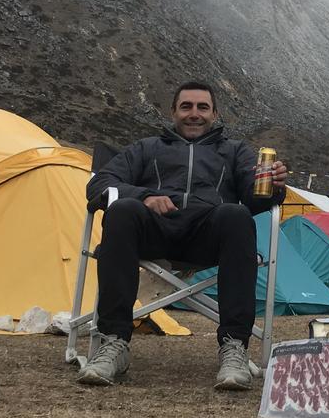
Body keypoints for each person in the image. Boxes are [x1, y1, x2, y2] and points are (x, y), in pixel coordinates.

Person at [78, 80, 287, 390]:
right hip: (154, 232)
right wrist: (144, 195)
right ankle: (114, 343)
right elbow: (98, 186)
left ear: (215, 114)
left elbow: (255, 199)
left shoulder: (235, 151)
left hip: (208, 237)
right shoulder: (146, 147)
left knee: (237, 214)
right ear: (173, 112)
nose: (194, 114)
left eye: (202, 107)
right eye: (186, 106)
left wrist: (274, 186)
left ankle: (234, 348)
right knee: (121, 211)